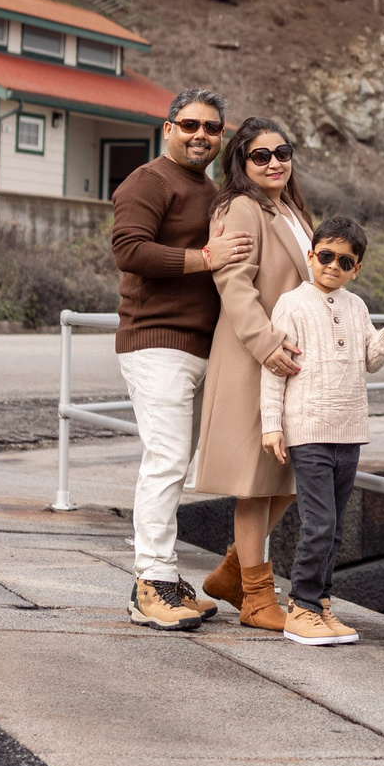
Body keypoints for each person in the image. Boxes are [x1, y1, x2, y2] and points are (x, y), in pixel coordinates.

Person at [108, 87, 253, 630]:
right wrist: (205, 257)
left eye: (212, 128)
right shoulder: (149, 180)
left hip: (198, 346)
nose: (201, 135)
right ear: (168, 127)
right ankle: (150, 583)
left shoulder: (206, 187)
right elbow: (129, 249)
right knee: (166, 461)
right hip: (155, 341)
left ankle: (165, 580)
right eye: (189, 124)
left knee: (177, 463)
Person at [258, 215, 384, 644]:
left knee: (336, 525)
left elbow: (369, 359)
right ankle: (301, 607)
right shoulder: (291, 303)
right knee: (319, 522)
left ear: (356, 269)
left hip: (349, 429)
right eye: (325, 256)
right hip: (307, 429)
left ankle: (321, 602)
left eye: (345, 261)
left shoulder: (356, 305)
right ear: (311, 255)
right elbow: (273, 369)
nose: (333, 266)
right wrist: (272, 425)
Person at [190, 115, 315, 631]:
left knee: (287, 475)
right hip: (251, 358)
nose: (274, 163)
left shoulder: (291, 209)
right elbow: (234, 285)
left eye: (281, 153)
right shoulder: (240, 207)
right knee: (256, 484)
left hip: (291, 364)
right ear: (240, 162)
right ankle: (258, 598)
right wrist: (265, 344)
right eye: (260, 156)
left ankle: (232, 572)